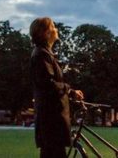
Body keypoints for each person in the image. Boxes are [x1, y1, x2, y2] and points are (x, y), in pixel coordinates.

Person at [30, 17, 84, 158]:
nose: (56, 29)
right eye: (53, 26)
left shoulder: (44, 53)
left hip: (51, 119)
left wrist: (69, 91)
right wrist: (70, 90)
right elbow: (49, 84)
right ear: (46, 33)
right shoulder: (42, 54)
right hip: (51, 119)